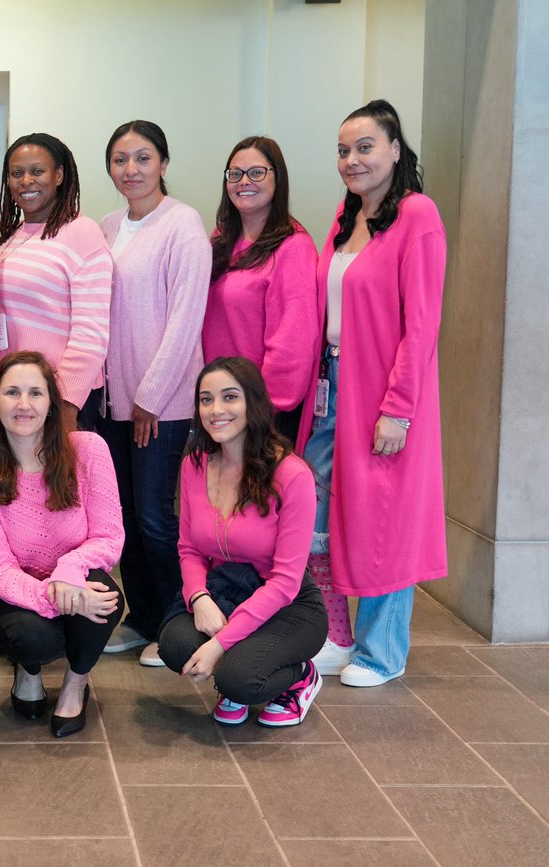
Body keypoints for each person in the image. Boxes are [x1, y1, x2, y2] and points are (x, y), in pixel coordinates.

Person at [302, 100, 447, 686]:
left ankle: (381, 651)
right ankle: (335, 634)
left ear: (394, 149)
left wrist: (399, 410)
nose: (352, 159)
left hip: (382, 393)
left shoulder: (418, 215)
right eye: (343, 150)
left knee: (382, 521)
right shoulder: (347, 214)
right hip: (332, 387)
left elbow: (423, 323)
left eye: (364, 147)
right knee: (318, 516)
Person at [96, 120, 212, 666]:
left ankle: (173, 619)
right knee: (122, 520)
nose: (131, 170)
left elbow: (187, 318)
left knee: (156, 517)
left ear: (163, 163)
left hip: (162, 405)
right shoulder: (105, 225)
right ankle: (142, 618)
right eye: (120, 160)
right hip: (113, 402)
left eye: (143, 158)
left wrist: (151, 395)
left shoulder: (183, 224)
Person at [158, 357, 327, 727]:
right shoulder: (195, 464)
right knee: (175, 645)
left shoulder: (291, 475)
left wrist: (220, 644)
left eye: (229, 397)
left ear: (254, 403)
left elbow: (285, 582)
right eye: (206, 399)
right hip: (226, 588)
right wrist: (199, 599)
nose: (216, 410)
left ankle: (298, 676)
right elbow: (189, 548)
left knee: (239, 678)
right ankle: (238, 667)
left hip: (288, 602)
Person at [0, 352, 124, 738]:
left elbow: (109, 535)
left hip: (75, 577)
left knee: (103, 595)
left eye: (36, 393)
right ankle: (28, 667)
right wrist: (60, 595)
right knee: (34, 637)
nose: (24, 404)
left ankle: (76, 682)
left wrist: (70, 572)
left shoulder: (89, 450)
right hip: (7, 594)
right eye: (12, 392)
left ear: (51, 403)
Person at [203, 136, 318, 444]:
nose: (244, 182)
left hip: (262, 415)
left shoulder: (293, 246)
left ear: (277, 178)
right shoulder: (220, 241)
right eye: (235, 174)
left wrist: (261, 410)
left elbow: (293, 342)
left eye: (257, 172)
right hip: (218, 407)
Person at [0, 134, 112, 431]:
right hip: (17, 394)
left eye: (37, 171)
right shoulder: (9, 237)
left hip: (58, 398)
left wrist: (67, 404)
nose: (26, 181)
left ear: (59, 175)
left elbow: (91, 333)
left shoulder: (83, 233)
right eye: (17, 173)